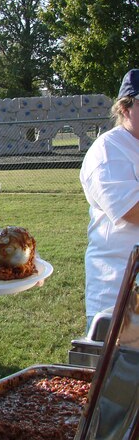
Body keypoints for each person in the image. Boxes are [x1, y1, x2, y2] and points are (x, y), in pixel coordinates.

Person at [80, 68, 139, 332]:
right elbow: (131, 210)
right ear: (125, 108)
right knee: (117, 371)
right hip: (117, 292)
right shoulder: (107, 150)